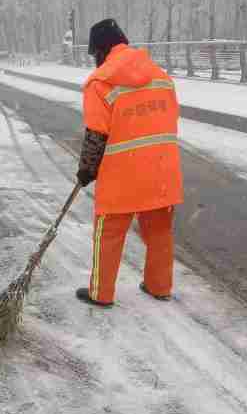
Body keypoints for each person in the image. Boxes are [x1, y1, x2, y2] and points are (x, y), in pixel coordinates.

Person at [75, 19, 184, 306]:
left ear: (100, 50)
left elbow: (97, 135)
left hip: (122, 174)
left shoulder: (100, 82)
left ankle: (101, 293)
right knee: (159, 232)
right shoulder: (160, 75)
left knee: (108, 234)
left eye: (94, 54)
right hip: (163, 170)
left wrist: (86, 170)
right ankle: (159, 286)